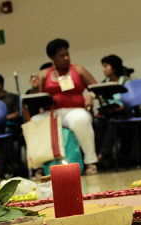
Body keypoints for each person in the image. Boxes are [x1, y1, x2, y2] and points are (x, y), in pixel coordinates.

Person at [30, 38, 98, 175]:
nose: (67, 58)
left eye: (67, 54)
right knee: (35, 121)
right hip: (52, 113)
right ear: (52, 58)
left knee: (80, 120)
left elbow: (95, 87)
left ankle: (91, 162)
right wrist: (35, 87)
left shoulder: (78, 69)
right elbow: (38, 98)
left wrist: (90, 96)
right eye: (62, 56)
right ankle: (37, 168)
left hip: (74, 110)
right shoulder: (44, 74)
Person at [94, 55, 130, 167]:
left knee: (112, 122)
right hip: (109, 114)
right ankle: (104, 157)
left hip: (124, 113)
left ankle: (104, 153)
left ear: (114, 67)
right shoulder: (104, 83)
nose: (103, 69)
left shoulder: (126, 81)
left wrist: (116, 109)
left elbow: (131, 101)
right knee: (97, 123)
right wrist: (101, 112)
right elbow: (103, 102)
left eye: (106, 66)